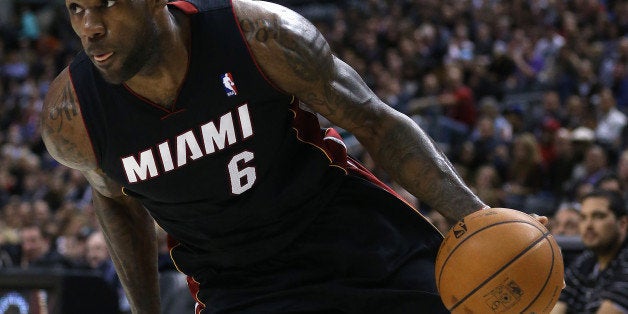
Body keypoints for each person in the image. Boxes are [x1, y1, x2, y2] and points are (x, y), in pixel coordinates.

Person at [39, 0, 543, 312]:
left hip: (353, 241)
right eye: (76, 9)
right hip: (240, 285)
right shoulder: (73, 117)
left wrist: (479, 218)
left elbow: (377, 122)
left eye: (104, 5)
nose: (89, 27)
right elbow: (114, 201)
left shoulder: (260, 37)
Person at [551, 190, 628, 313]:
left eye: (598, 216)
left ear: (623, 224)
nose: (588, 225)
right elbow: (558, 307)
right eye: (583, 218)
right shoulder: (586, 260)